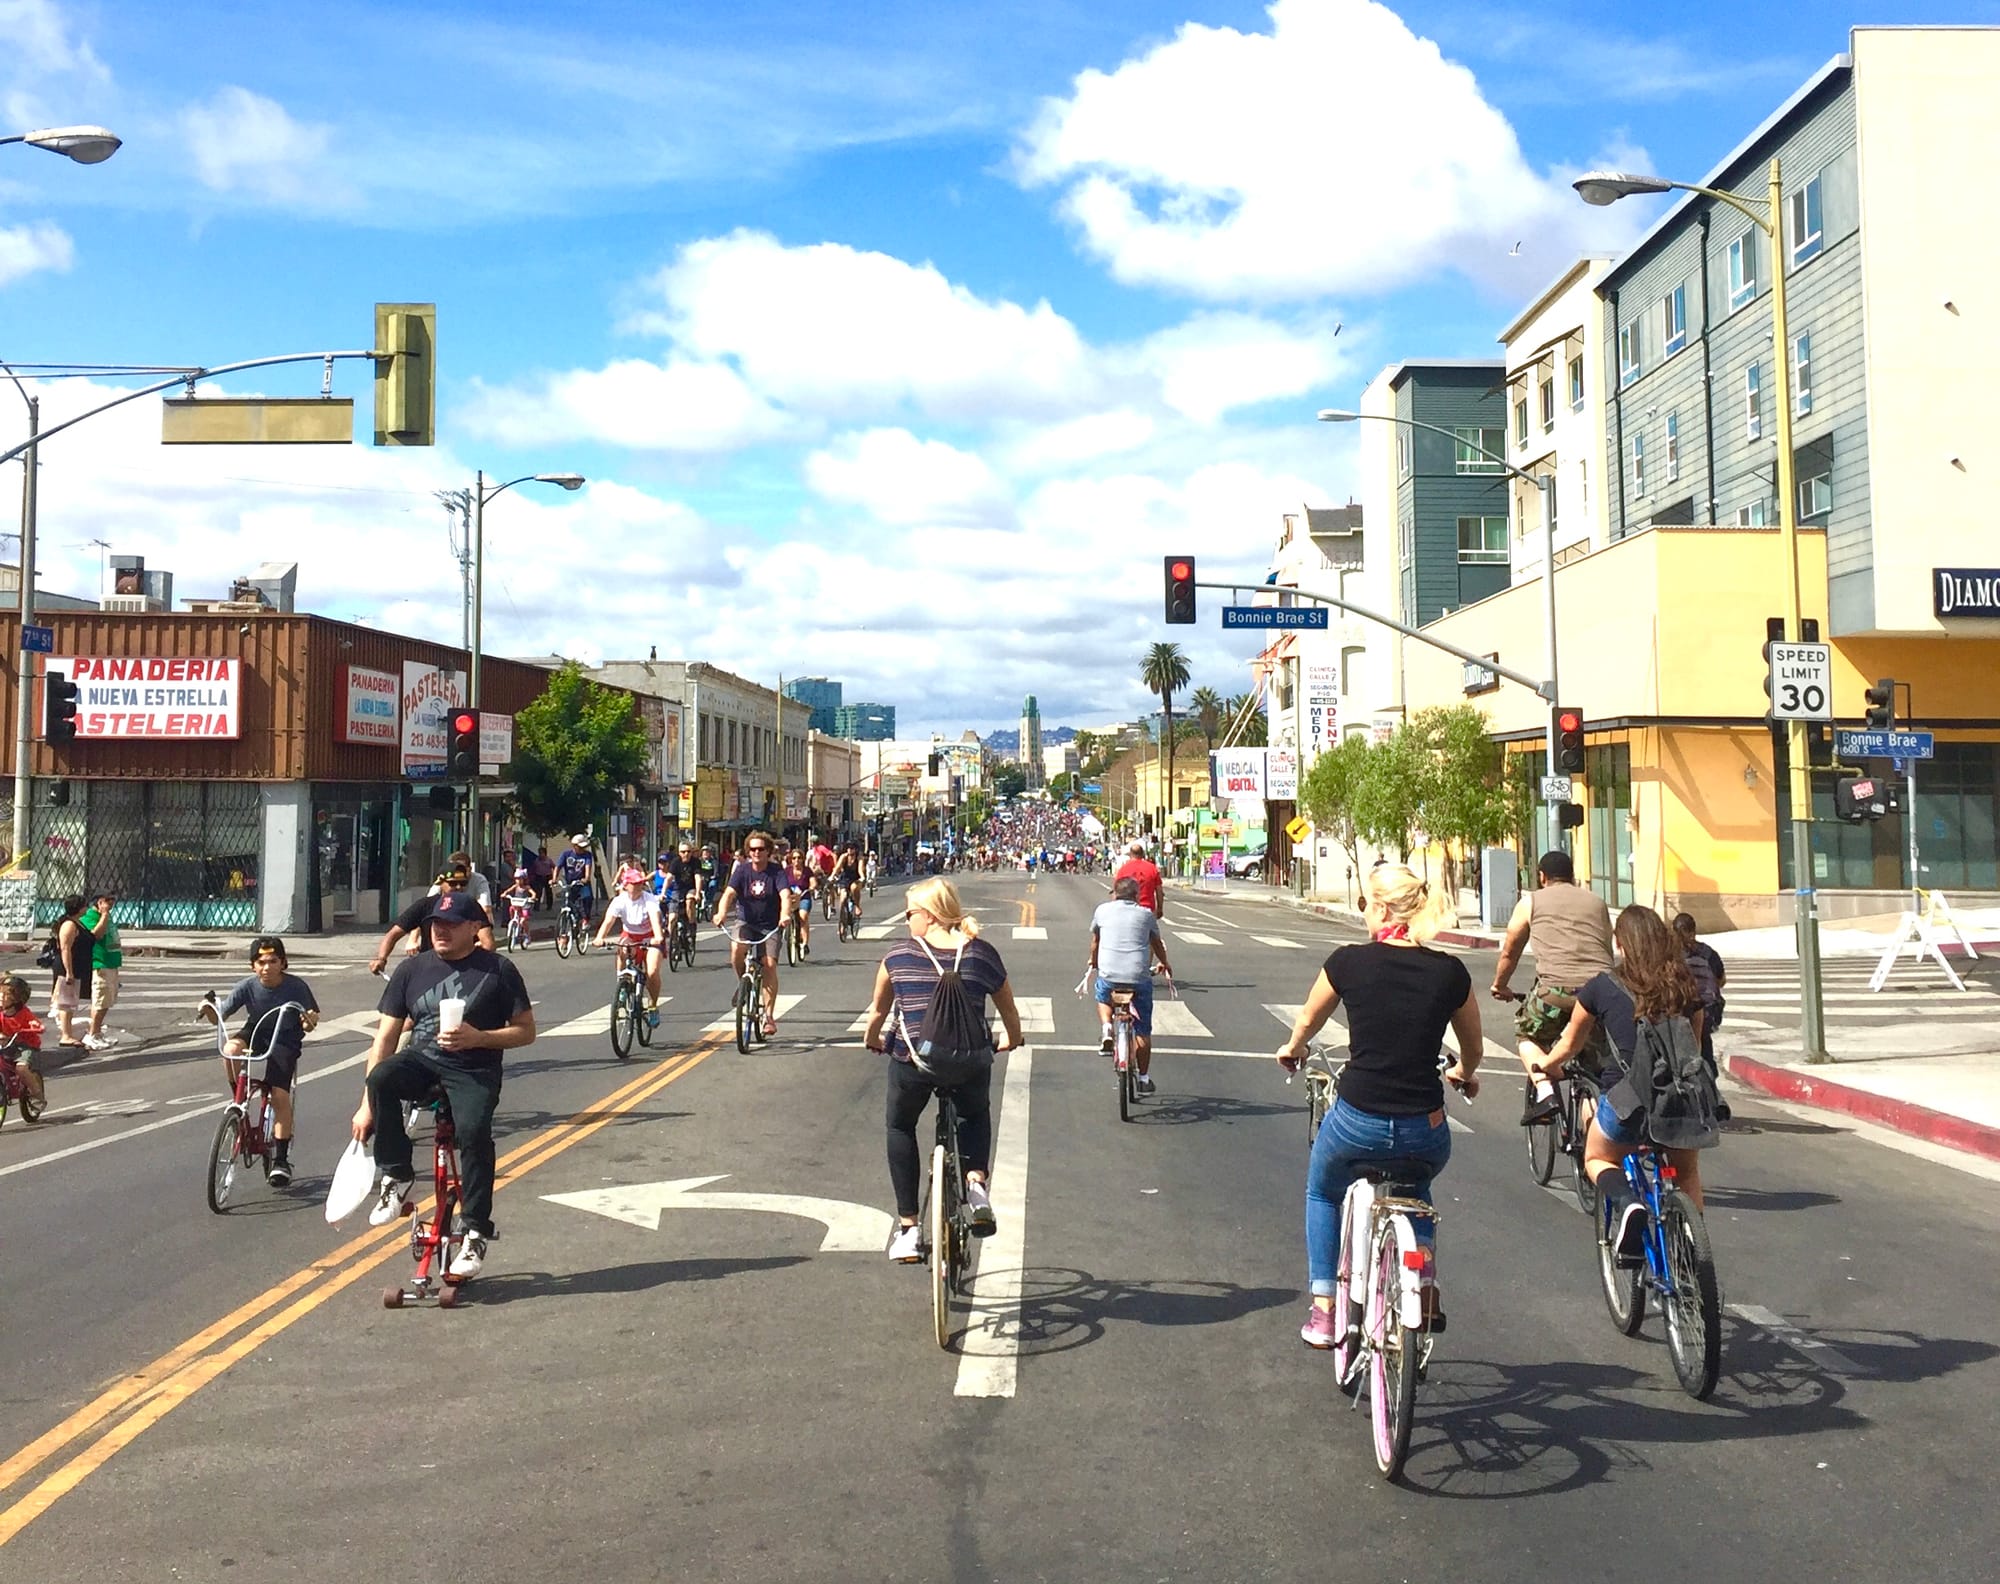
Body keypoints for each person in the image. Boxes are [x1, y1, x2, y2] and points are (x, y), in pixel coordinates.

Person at [1276, 864, 1481, 1348]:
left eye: (1368, 903)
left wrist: (1293, 1047)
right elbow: (1472, 1048)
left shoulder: (1348, 963)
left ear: (1384, 909)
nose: (1364, 911)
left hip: (1358, 1122)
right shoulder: (1450, 971)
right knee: (1417, 1185)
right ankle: (1424, 1281)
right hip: (1425, 1128)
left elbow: (1307, 1020)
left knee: (1323, 1190)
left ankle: (1325, 1309)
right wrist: (1463, 1073)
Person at [352, 891, 536, 1279]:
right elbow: (384, 1040)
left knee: (473, 1133)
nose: (441, 931)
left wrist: (479, 1038)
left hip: (474, 1069)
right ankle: (398, 1175)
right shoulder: (411, 970)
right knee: (382, 1077)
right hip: (422, 1061)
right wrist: (366, 1105)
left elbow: (525, 1032)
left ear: (475, 929)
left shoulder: (498, 970)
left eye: (451, 926)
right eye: (436, 924)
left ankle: (474, 1231)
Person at [862, 877, 1024, 1262]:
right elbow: (1010, 1014)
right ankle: (976, 1184)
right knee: (974, 1112)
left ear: (930, 916)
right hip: (969, 1061)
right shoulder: (982, 954)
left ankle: (909, 1229)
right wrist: (1009, 1040)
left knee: (900, 1126)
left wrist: (873, 1039)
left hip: (914, 1062)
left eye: (910, 914)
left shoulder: (898, 955)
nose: (906, 921)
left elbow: (878, 1012)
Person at [1542, 905, 1711, 1263]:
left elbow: (1571, 1043)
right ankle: (1690, 1254)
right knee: (1687, 1173)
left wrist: (1546, 1065)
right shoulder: (1686, 987)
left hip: (1628, 1101)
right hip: (1681, 1101)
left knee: (1598, 1157)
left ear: (1620, 944)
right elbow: (1693, 1048)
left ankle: (1627, 1202)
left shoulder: (1601, 988)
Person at [1490, 850, 1615, 1125]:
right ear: (1572, 876)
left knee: (1527, 1034)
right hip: (1602, 994)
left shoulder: (1531, 901)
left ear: (1542, 876)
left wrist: (1500, 985)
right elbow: (1607, 947)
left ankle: (1546, 1093)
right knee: (1593, 1069)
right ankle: (1593, 1148)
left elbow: (1510, 951)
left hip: (1555, 992)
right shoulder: (1597, 901)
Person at [206, 937, 320, 1187]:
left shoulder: (296, 987)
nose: (266, 967)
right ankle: (239, 1099)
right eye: (261, 962)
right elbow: (220, 1016)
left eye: (272, 961)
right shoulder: (247, 986)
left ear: (283, 963)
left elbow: (310, 1019)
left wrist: (307, 1021)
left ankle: (280, 1160)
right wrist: (208, 1009)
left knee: (279, 1096)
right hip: (256, 1031)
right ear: (252, 966)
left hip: (284, 1037)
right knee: (230, 1048)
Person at [1088, 875, 1174, 1095]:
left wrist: (1094, 961)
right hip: (1139, 978)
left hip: (1110, 975)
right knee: (1143, 1030)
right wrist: (1165, 963)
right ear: (1136, 896)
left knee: (1102, 995)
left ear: (1114, 894)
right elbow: (1156, 943)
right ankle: (1144, 1079)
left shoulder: (1102, 911)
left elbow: (1096, 941)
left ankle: (1107, 1027)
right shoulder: (1146, 915)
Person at [713, 830, 793, 1037]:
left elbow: (785, 895)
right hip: (746, 921)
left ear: (768, 851)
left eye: (761, 849)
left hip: (769, 925)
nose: (756, 853)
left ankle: (769, 1016)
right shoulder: (742, 871)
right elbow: (729, 893)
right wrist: (721, 913)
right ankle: (743, 984)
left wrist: (785, 915)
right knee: (736, 949)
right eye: (753, 849)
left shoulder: (776, 872)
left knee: (769, 965)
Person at [368, 870, 492, 974]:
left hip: (466, 969)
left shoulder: (472, 906)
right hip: (430, 969)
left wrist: (481, 967)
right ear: (440, 883)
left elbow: (488, 943)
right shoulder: (425, 905)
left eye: (463, 883)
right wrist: (381, 959)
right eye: (453, 883)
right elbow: (393, 934)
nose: (458, 887)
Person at [1672, 912, 1729, 1119]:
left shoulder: (1672, 955)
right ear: (1694, 930)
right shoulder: (1708, 953)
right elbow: (1721, 980)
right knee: (1704, 1050)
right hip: (1709, 1011)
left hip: (1683, 1011)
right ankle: (1713, 1096)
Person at [594, 866, 665, 1024]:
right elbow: (608, 921)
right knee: (622, 949)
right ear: (625, 885)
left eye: (640, 883)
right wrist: (600, 938)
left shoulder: (648, 899)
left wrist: (658, 937)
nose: (638, 886)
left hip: (650, 936)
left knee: (652, 972)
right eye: (634, 883)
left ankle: (653, 1005)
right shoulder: (619, 901)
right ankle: (622, 983)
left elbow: (655, 919)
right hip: (630, 935)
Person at [78, 887, 123, 1052]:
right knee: (100, 1000)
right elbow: (95, 935)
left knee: (107, 1001)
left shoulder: (108, 916)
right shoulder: (91, 916)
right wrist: (103, 915)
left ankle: (97, 1032)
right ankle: (92, 1033)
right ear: (99, 902)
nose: (111, 904)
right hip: (100, 963)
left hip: (111, 962)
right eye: (108, 900)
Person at [46, 894, 91, 1050]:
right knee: (65, 1001)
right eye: (85, 905)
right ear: (78, 908)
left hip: (77, 966)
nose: (87, 908)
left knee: (70, 1001)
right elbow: (65, 949)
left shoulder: (78, 923)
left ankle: (68, 1033)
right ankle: (66, 1035)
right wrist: (69, 972)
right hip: (67, 967)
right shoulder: (69, 925)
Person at [0, 973, 46, 1107]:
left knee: (21, 1069)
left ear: (17, 998)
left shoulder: (24, 1013)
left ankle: (37, 1094)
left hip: (25, 1046)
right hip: (6, 1045)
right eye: (0, 993)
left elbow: (33, 1022)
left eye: (6, 995)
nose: (2, 997)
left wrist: (35, 1026)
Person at [555, 833, 596, 934]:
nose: (582, 849)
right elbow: (558, 867)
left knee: (587, 898)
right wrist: (554, 879)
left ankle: (585, 920)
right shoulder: (566, 854)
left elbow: (588, 867)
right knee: (567, 905)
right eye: (580, 847)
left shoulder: (587, 855)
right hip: (569, 883)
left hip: (581, 883)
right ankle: (563, 934)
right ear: (574, 846)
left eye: (584, 847)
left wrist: (586, 878)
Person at [1114, 839, 1165, 919]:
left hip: (1127, 910)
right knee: (1152, 931)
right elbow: (1159, 891)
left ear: (1130, 854)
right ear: (1142, 854)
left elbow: (1116, 891)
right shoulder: (1152, 868)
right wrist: (1160, 908)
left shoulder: (1123, 869)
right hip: (1148, 910)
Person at [782, 849, 815, 957]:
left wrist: (812, 887)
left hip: (803, 897)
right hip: (790, 898)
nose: (797, 860)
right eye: (794, 858)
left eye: (799, 858)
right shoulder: (786, 871)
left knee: (803, 916)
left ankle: (805, 943)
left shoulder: (807, 871)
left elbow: (813, 881)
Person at [500, 868, 537, 946]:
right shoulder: (516, 886)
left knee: (523, 921)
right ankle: (514, 921)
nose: (518, 881)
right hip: (517, 904)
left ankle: (527, 935)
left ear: (524, 879)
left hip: (524, 905)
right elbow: (508, 890)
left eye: (520, 879)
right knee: (511, 909)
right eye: (517, 879)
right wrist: (505, 893)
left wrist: (533, 897)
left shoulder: (527, 887)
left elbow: (533, 893)